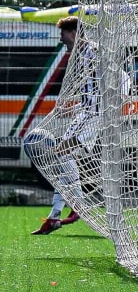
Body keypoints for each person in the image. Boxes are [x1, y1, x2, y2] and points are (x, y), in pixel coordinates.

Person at [30, 16, 91, 235]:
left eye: (63, 35)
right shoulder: (84, 54)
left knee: (61, 153)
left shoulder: (93, 53)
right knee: (62, 155)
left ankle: (76, 206)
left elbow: (121, 80)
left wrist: (111, 105)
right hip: (86, 114)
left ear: (73, 34)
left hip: (94, 117)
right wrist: (75, 108)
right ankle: (57, 215)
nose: (61, 40)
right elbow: (92, 92)